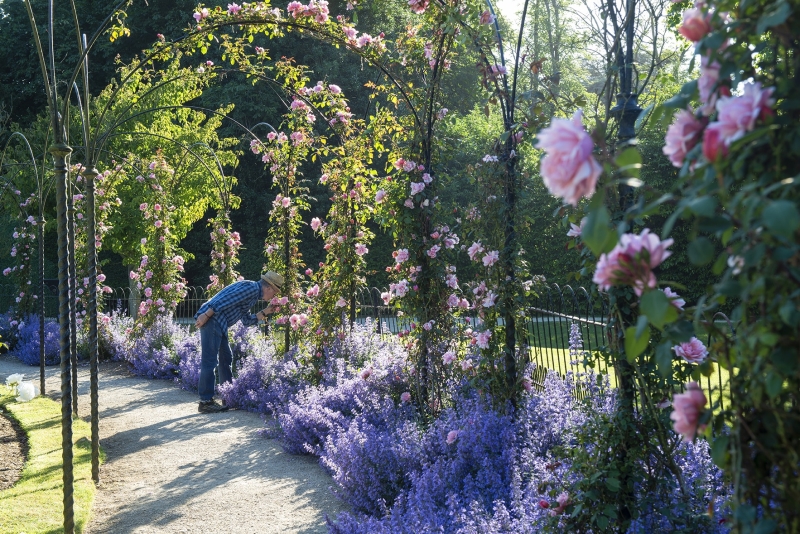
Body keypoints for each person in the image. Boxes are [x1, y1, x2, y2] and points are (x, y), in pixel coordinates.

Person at [193, 271, 284, 413]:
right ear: (269, 288)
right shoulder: (251, 288)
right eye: (274, 293)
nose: (274, 296)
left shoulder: (253, 293)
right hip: (213, 320)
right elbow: (224, 299)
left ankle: (228, 396)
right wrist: (206, 315)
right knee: (210, 361)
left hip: (219, 322)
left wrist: (266, 311)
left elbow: (247, 320)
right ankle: (205, 401)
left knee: (225, 358)